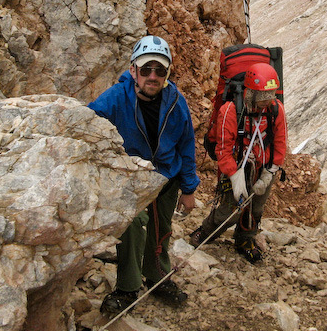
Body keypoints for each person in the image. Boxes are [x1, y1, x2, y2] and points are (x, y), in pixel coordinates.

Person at [88, 35, 199, 313]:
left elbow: (186, 144)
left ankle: (157, 277)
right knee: (132, 227)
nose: (153, 76)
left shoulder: (175, 101)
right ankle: (127, 287)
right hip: (132, 179)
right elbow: (88, 126)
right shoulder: (115, 98)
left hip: (165, 178)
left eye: (160, 70)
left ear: (167, 74)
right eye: (146, 69)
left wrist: (189, 188)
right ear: (133, 70)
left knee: (161, 229)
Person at [189, 62, 287, 263]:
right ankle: (206, 232)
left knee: (256, 208)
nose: (266, 101)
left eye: (270, 95)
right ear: (250, 92)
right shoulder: (230, 111)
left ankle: (245, 240)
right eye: (262, 96)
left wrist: (270, 172)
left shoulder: (276, 110)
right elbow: (223, 150)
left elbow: (280, 142)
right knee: (231, 211)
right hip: (236, 166)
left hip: (263, 168)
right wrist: (234, 176)